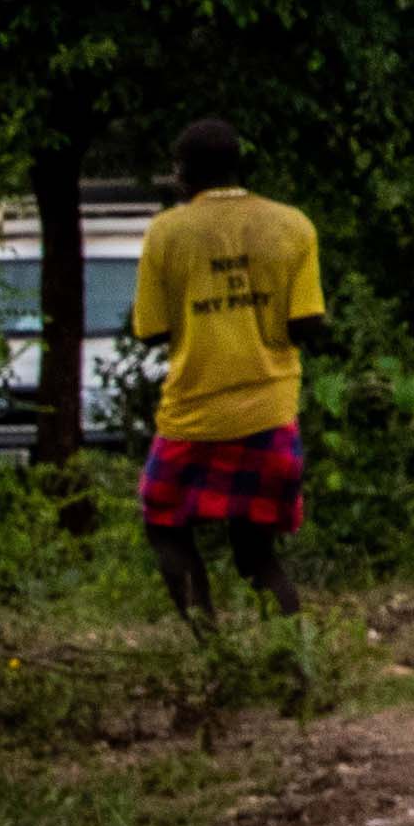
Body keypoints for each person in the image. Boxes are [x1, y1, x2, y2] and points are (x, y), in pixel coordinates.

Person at [130, 117, 322, 633]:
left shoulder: (166, 232)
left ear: (185, 174)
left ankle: (210, 649)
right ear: (238, 165)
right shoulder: (293, 225)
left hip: (193, 415)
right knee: (257, 555)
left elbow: (149, 330)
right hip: (269, 412)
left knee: (164, 522)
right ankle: (294, 666)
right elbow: (307, 322)